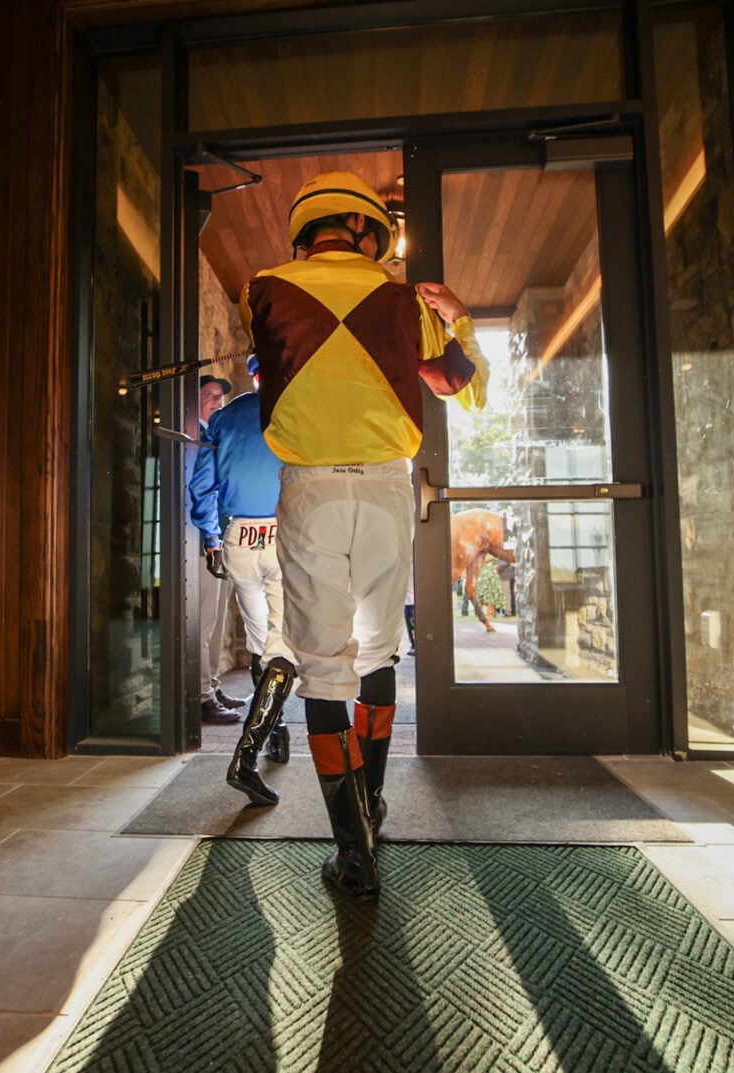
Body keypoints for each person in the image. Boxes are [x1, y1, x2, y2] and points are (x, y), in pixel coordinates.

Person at [238, 170, 488, 903]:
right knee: (380, 649)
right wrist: (460, 320)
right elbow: (462, 388)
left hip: (310, 488)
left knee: (322, 666)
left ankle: (352, 855)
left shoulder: (264, 288)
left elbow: (276, 362)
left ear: (307, 230)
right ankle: (372, 804)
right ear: (366, 228)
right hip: (384, 486)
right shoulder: (406, 300)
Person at [189, 357, 295, 800]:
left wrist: (212, 537)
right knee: (282, 646)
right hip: (286, 534)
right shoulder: (296, 408)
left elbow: (202, 486)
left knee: (259, 641)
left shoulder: (226, 417)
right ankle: (253, 751)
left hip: (239, 538)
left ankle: (275, 729)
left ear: (253, 376)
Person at [191, 373, 244, 725]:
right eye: (208, 395)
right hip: (201, 544)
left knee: (216, 620)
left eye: (220, 397)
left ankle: (210, 686)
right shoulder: (195, 438)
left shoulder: (215, 437)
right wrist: (211, 541)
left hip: (219, 543)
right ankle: (200, 697)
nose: (217, 401)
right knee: (204, 622)